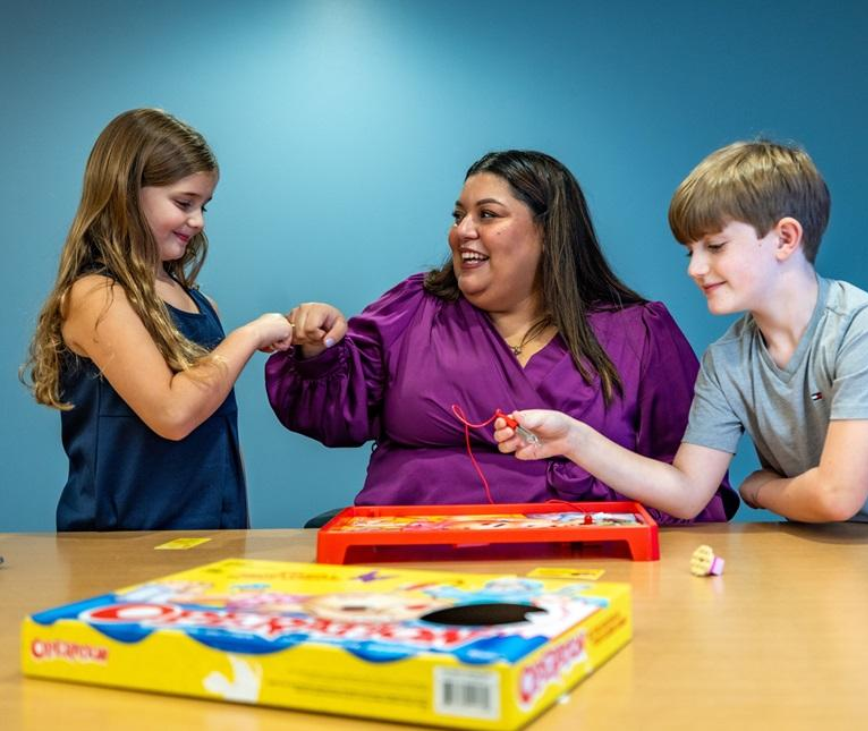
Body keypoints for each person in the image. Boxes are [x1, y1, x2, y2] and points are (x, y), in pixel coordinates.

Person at [496, 141, 868, 523]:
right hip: (822, 552)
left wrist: (761, 489)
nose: (696, 268)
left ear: (786, 238)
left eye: (716, 246)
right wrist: (574, 439)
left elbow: (835, 496)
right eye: (689, 251)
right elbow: (686, 493)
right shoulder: (726, 361)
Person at [266, 150, 737, 524]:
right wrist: (317, 350)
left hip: (590, 567)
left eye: (487, 215)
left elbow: (689, 490)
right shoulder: (414, 309)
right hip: (413, 566)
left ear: (549, 232)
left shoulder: (639, 332)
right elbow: (329, 414)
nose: (462, 231)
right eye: (459, 215)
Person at [21, 108, 293, 531]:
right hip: (121, 544)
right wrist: (250, 335)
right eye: (184, 203)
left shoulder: (200, 304)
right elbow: (172, 413)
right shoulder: (97, 295)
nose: (197, 221)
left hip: (207, 535)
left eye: (205, 206)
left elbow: (215, 439)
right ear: (127, 193)